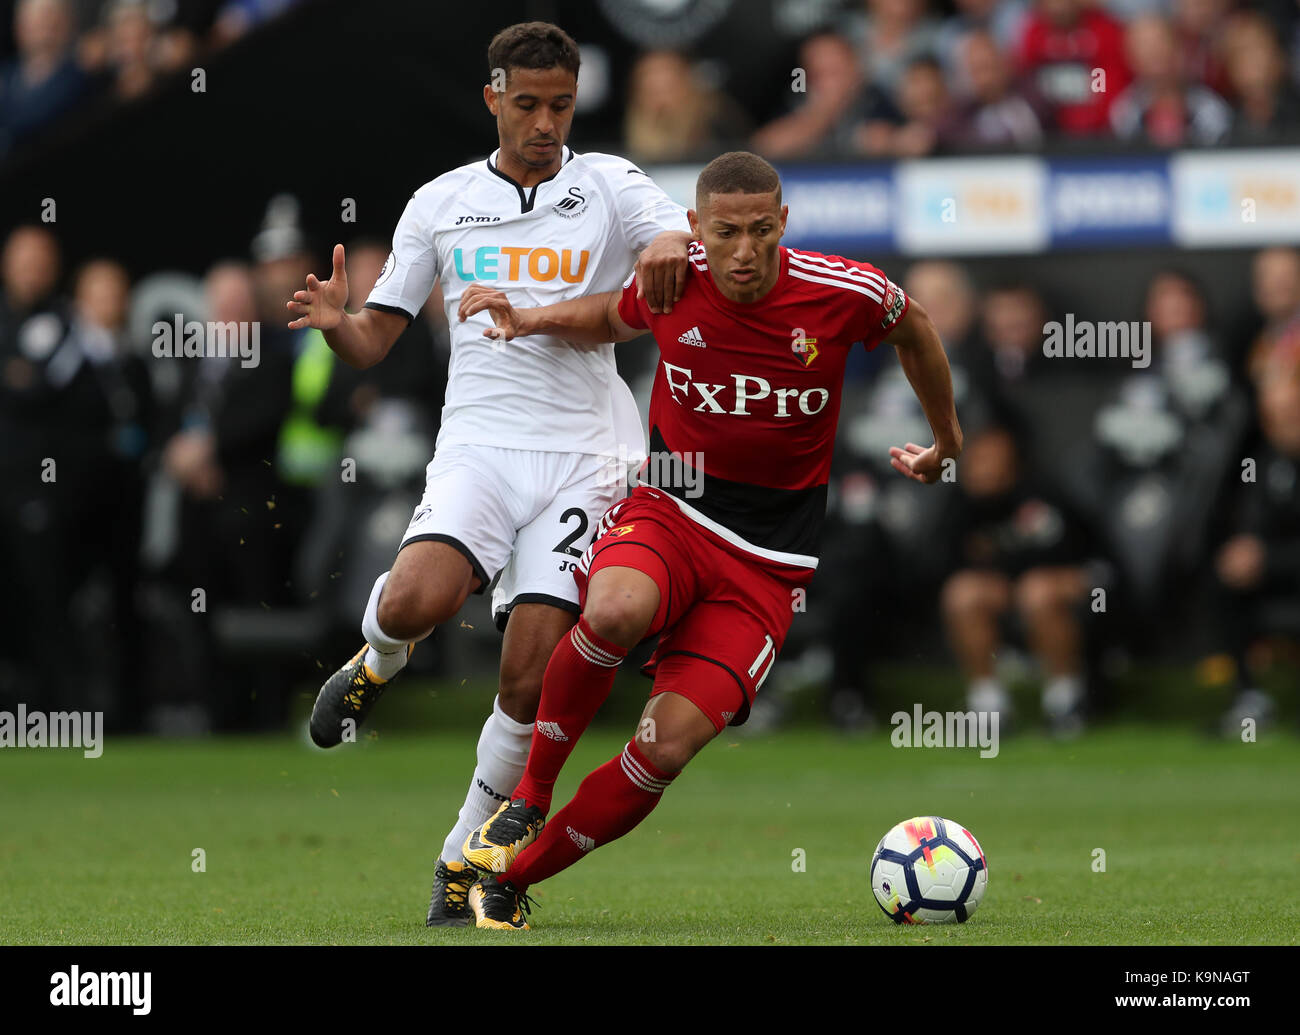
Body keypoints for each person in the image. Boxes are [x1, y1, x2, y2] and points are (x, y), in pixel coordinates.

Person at [454, 151, 961, 929]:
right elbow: (609, 316)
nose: (745, 250)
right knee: (616, 609)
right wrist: (528, 316)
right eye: (725, 232)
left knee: (662, 748)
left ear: (784, 223)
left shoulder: (841, 293)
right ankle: (529, 796)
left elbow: (917, 328)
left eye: (762, 230)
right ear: (698, 228)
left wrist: (945, 439)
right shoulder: (672, 276)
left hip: (768, 560)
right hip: (673, 505)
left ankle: (512, 878)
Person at [285, 21, 692, 927]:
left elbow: (672, 236)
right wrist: (336, 321)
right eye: (528, 104)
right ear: (492, 99)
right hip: (479, 447)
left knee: (527, 676)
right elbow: (375, 337)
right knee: (411, 603)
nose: (545, 122)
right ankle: (375, 658)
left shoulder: (611, 184)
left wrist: (669, 245)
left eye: (561, 105)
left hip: (587, 458)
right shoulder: (440, 202)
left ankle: (458, 861)